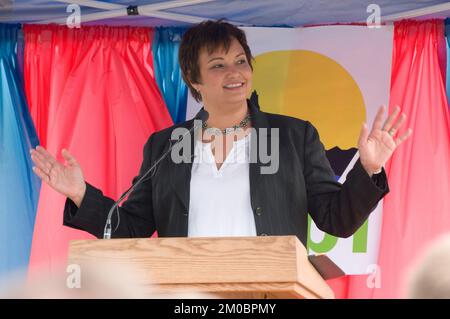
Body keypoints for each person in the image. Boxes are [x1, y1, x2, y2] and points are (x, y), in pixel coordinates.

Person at [30, 20, 412, 245]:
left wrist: (368, 169)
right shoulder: (167, 145)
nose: (235, 73)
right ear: (194, 80)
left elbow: (337, 220)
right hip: (188, 297)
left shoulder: (293, 137)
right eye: (217, 65)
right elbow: (129, 230)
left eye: (240, 61)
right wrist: (81, 194)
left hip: (269, 295)